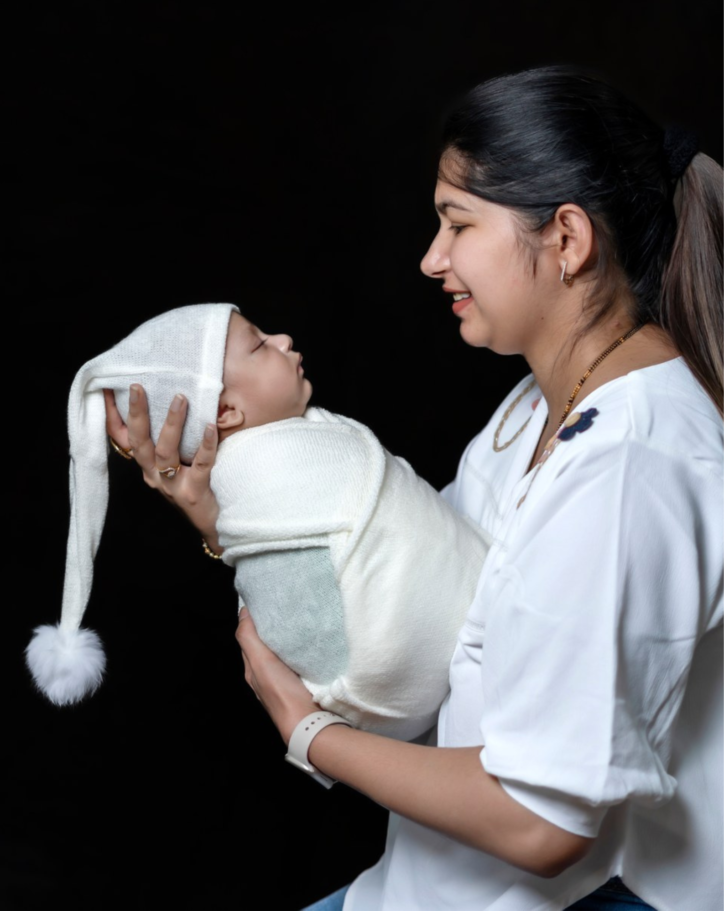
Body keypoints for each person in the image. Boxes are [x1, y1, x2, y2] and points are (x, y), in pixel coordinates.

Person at [105, 66, 723, 911]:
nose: (432, 259)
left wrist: (309, 732)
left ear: (568, 240)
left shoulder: (632, 468)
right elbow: (427, 621)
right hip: (415, 889)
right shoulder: (537, 402)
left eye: (458, 225)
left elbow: (543, 825)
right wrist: (218, 515)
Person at [26, 304, 489, 744]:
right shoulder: (259, 477)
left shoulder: (301, 440)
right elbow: (292, 602)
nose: (284, 339)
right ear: (225, 411)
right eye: (260, 345)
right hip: (394, 677)